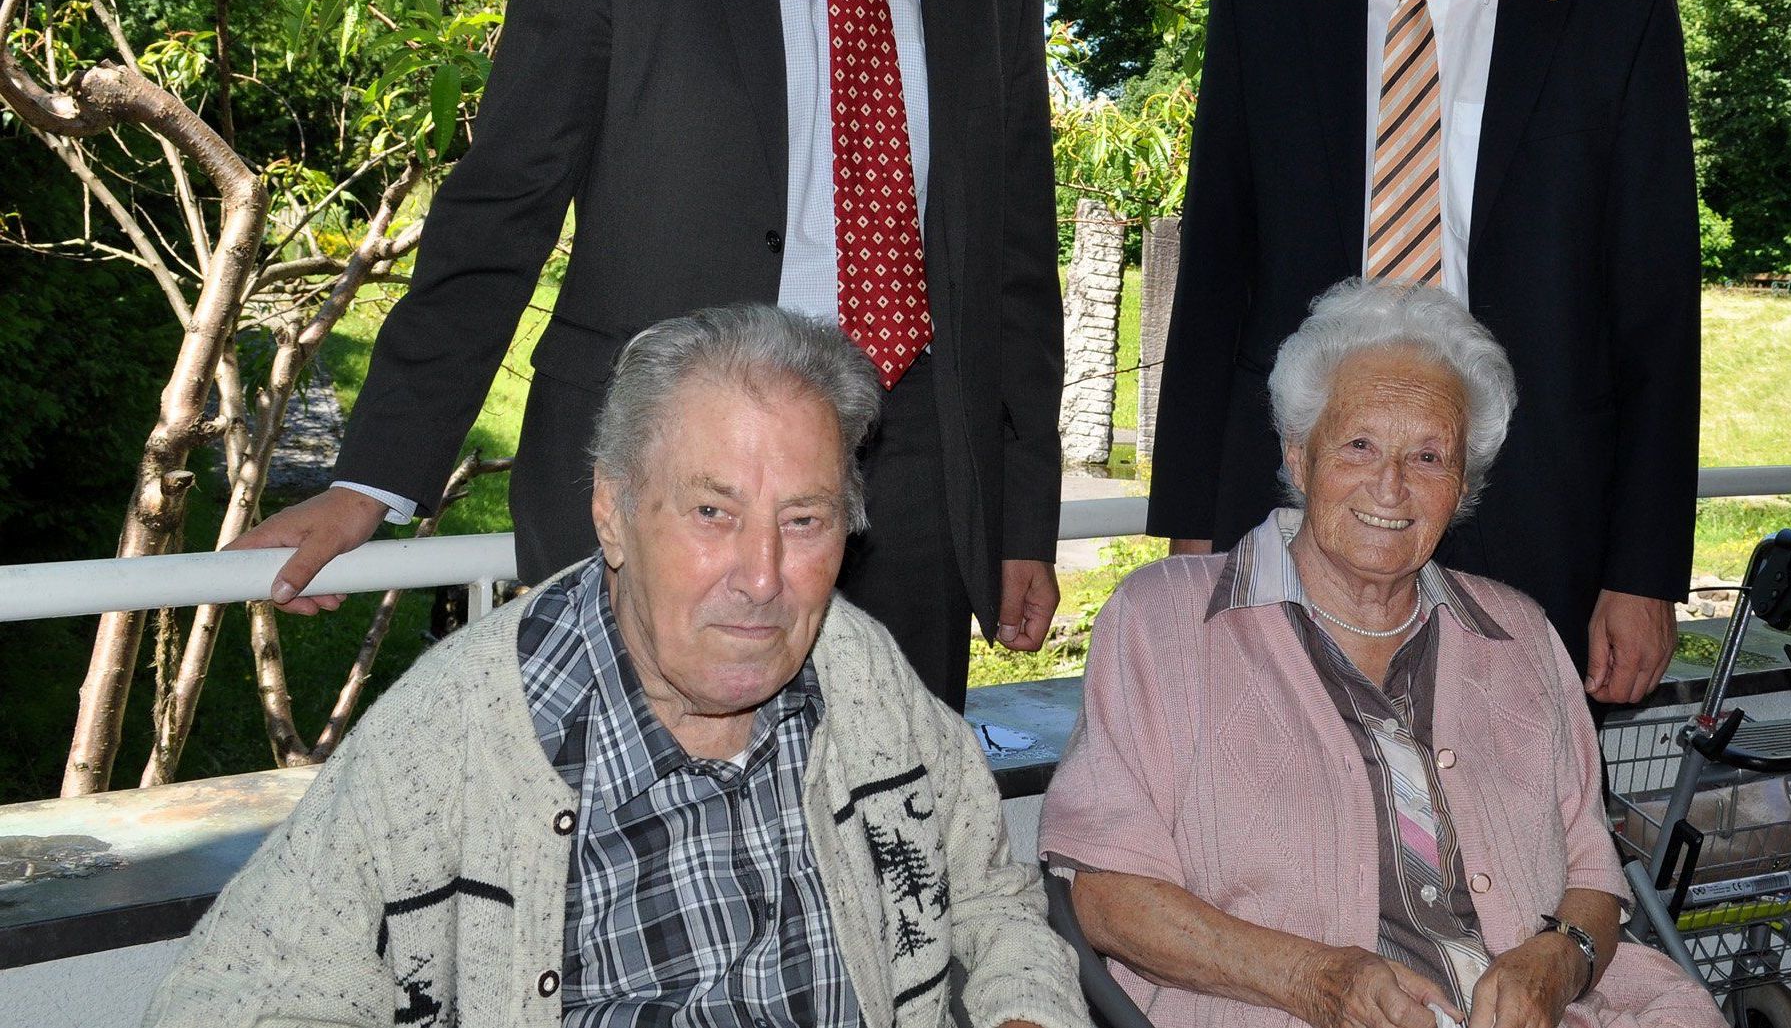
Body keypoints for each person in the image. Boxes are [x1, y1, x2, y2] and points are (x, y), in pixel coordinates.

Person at [232, 0, 1064, 706]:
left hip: (914, 500)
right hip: (668, 475)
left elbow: (1018, 268)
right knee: (637, 854)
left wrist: (1021, 516)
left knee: (880, 850)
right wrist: (375, 477)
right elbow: (505, 195)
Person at [151, 304, 1088, 1028]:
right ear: (613, 511)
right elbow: (228, 1003)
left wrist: (1025, 1012)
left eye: (804, 520)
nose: (763, 579)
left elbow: (994, 894)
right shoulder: (456, 741)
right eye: (712, 513)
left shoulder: (861, 674)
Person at [1147, 0, 1698, 703]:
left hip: (1539, 522)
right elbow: (1216, 279)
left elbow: (1654, 317)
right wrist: (1192, 528)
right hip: (1292, 505)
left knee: (1515, 852)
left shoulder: (1616, 20)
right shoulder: (1262, 4)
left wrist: (1641, 572)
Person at [1040, 280, 1721, 1028]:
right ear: (1300, 456)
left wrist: (1556, 960)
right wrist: (1314, 977)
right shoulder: (1163, 621)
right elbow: (1106, 894)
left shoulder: (1519, 632)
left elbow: (1594, 873)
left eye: (1428, 455)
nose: (1391, 485)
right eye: (1360, 444)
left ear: (1462, 483)